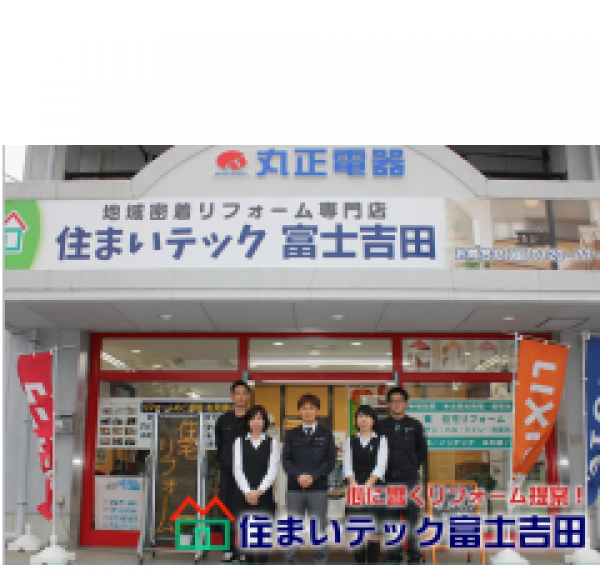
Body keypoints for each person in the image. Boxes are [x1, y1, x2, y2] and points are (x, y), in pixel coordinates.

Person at [282, 394, 336, 565]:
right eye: (304, 408)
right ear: (299, 411)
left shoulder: (326, 434)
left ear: (317, 411)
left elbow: (330, 461)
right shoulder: (291, 434)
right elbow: (286, 460)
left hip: (318, 488)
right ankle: (291, 562)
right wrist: (299, 476)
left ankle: (320, 562)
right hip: (295, 488)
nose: (308, 411)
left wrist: (313, 476)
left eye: (311, 408)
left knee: (319, 527)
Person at [379, 387, 427, 565]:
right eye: (393, 401)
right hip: (389, 479)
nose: (396, 404)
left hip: (410, 480)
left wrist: (411, 467)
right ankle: (394, 556)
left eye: (400, 400)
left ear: (406, 403)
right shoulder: (381, 426)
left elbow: (422, 451)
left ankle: (414, 556)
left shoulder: (415, 425)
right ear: (388, 404)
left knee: (411, 519)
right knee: (391, 519)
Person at [233, 405, 279, 565]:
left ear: (265, 422)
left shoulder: (272, 442)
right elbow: (237, 469)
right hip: (243, 494)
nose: (256, 422)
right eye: (253, 418)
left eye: (259, 418)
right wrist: (248, 492)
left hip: (264, 495)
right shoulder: (239, 442)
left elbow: (272, 470)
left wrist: (258, 491)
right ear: (248, 422)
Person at [343, 404, 388, 564]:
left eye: (367, 416)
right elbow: (347, 466)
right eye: (360, 416)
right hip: (355, 489)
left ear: (373, 420)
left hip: (375, 489)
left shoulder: (381, 440)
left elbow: (381, 466)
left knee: (374, 534)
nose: (363, 420)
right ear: (356, 420)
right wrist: (355, 485)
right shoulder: (350, 440)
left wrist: (368, 485)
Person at [215, 380, 251, 563]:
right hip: (228, 473)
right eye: (237, 393)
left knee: (245, 510)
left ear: (248, 396)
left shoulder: (253, 420)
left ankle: (243, 549)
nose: (241, 396)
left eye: (244, 393)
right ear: (232, 396)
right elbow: (219, 446)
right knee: (227, 510)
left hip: (248, 473)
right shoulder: (223, 420)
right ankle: (228, 549)